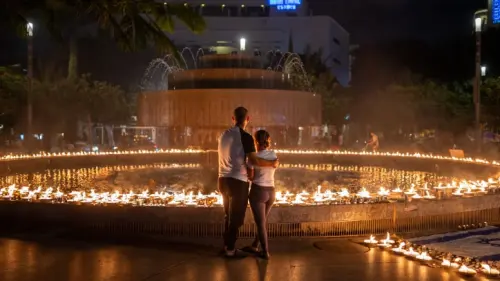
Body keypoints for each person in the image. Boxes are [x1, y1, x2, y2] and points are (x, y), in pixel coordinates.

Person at [218, 107, 279, 258]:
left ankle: (226, 245)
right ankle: (231, 250)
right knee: (236, 218)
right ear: (248, 119)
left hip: (222, 180)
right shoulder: (245, 137)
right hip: (237, 182)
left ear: (233, 119)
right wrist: (273, 163)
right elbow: (253, 160)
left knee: (227, 215)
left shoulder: (223, 135)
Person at [244, 130, 277, 260]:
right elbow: (274, 165)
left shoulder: (253, 158)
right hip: (271, 191)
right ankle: (255, 244)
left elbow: (251, 177)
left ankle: (265, 252)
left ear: (255, 141)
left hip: (258, 191)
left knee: (260, 223)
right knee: (262, 222)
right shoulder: (273, 154)